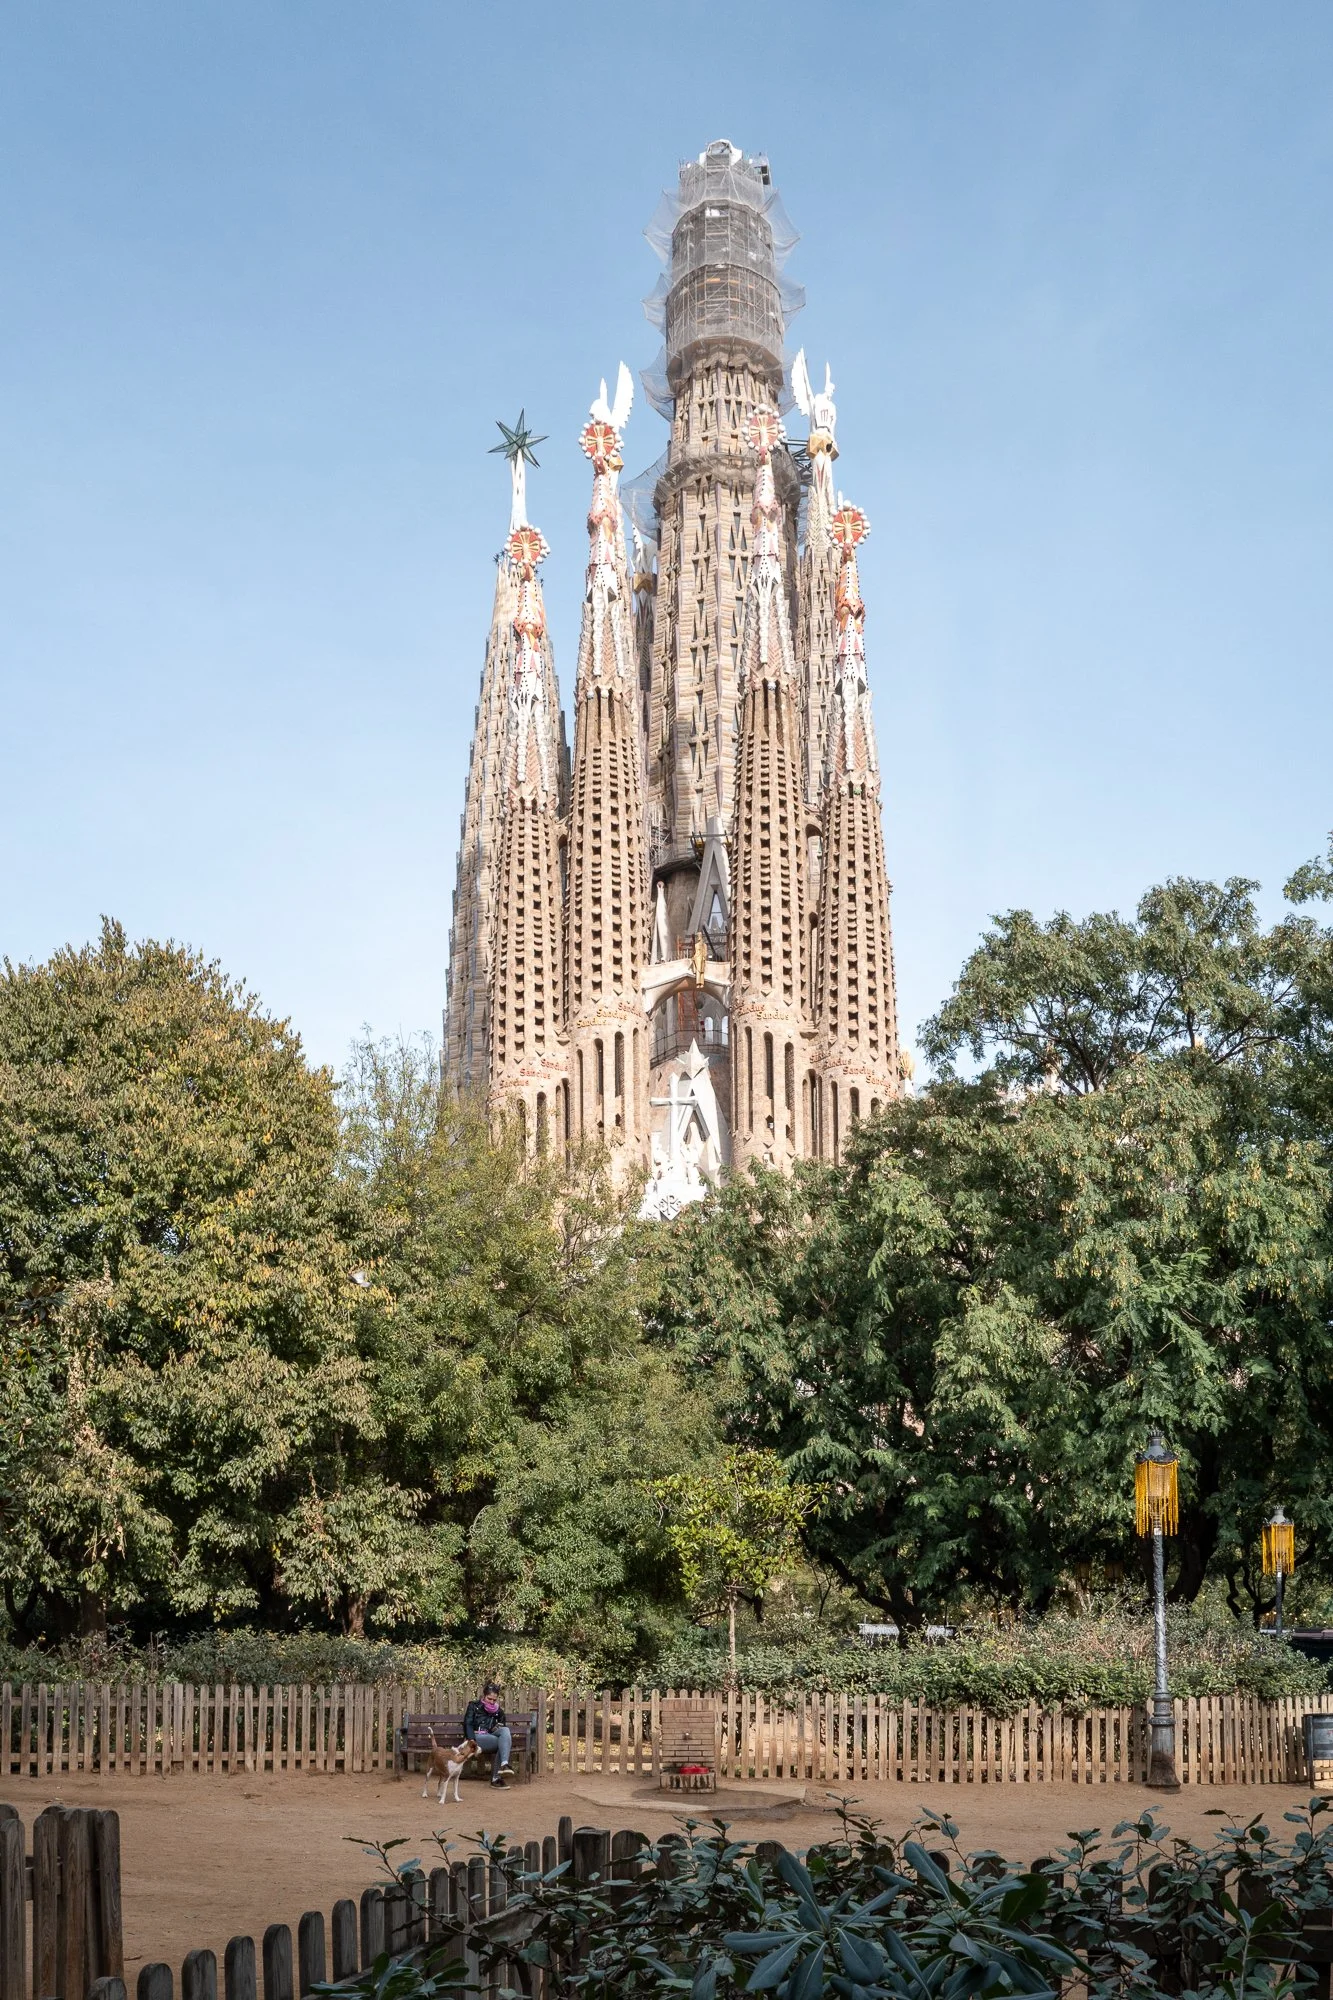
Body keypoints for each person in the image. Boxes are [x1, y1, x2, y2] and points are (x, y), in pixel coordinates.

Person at [462, 1683, 514, 1785]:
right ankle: (496, 1778)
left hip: (491, 1737)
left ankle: (504, 1764)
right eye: (489, 1699)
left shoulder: (499, 1711)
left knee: (505, 1731)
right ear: (483, 1696)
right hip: (476, 1739)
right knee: (502, 1743)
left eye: (494, 1700)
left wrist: (495, 1728)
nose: (492, 1702)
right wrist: (471, 1739)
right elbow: (467, 1723)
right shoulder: (473, 1706)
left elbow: (501, 1725)